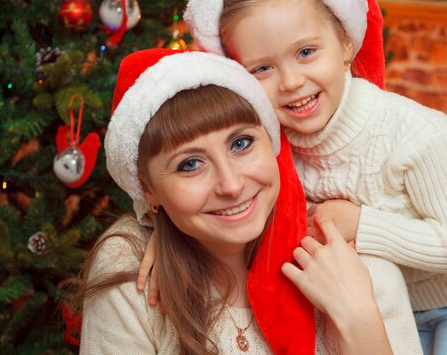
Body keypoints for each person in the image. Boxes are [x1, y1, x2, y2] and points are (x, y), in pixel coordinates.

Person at [183, 0, 447, 355]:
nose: (291, 81)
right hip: (394, 296)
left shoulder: (420, 135)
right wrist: (160, 233)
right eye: (263, 68)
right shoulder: (268, 143)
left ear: (346, 44)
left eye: (306, 52)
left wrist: (361, 225)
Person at [77, 48, 394, 355]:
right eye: (190, 165)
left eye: (241, 143)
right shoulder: (129, 263)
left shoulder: (348, 246)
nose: (231, 185)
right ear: (148, 190)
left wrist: (360, 318)